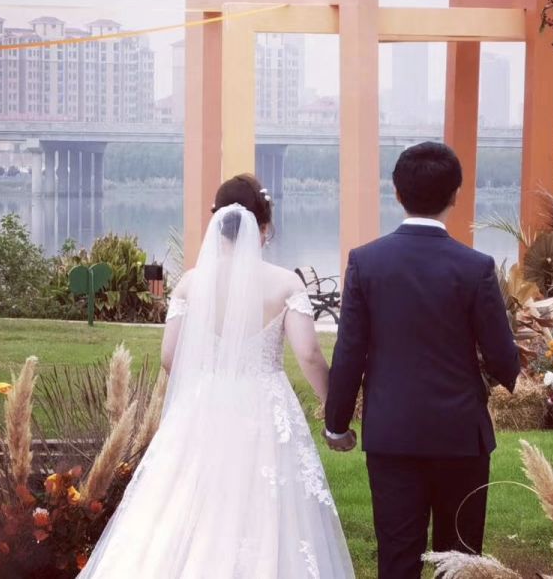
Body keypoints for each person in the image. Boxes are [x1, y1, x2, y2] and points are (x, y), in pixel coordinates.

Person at [78, 173, 355, 579]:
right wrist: (334, 408)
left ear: (218, 221)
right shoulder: (284, 283)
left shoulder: (190, 284)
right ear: (264, 226)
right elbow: (310, 355)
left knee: (188, 498)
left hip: (204, 402)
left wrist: (205, 381)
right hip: (263, 403)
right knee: (264, 503)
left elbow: (170, 357)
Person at [324, 142, 520, 579]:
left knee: (397, 557)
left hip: (392, 434)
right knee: (461, 560)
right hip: (461, 436)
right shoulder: (476, 266)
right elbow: (503, 358)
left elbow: (349, 351)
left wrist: (337, 423)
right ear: (455, 195)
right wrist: (504, 373)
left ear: (396, 193)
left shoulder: (365, 262)